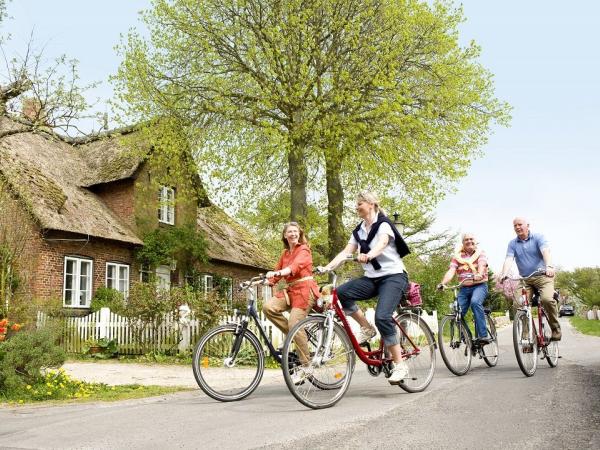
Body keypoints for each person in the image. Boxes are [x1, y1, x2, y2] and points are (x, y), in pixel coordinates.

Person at [321, 191, 411, 384]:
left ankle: (399, 364)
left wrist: (370, 255)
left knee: (382, 317)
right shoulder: (359, 230)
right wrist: (328, 267)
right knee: (341, 293)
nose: (356, 207)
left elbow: (383, 243)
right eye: (356, 204)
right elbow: (346, 252)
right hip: (372, 278)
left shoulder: (384, 224)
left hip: (394, 276)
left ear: (371, 204)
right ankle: (366, 328)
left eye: (360, 203)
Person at [263, 222, 320, 375]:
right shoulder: (285, 254)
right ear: (285, 235)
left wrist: (279, 273)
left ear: (299, 234)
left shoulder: (304, 250)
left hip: (305, 291)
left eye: (295, 231)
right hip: (290, 291)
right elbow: (276, 272)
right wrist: (266, 280)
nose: (293, 234)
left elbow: (293, 268)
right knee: (268, 307)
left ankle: (306, 366)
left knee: (294, 322)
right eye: (290, 232)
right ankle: (295, 335)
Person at [500, 217, 561, 341]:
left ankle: (555, 329)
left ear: (527, 225)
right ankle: (527, 335)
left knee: (547, 299)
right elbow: (508, 259)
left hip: (543, 276)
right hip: (525, 279)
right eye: (515, 225)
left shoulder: (538, 237)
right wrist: (504, 273)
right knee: (518, 305)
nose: (517, 227)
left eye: (520, 224)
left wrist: (549, 266)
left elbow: (545, 252)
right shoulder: (512, 243)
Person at [437, 233, 491, 343]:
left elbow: (481, 265)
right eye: (466, 240)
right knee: (457, 312)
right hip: (464, 288)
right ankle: (467, 337)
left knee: (475, 302)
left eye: (471, 239)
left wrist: (479, 274)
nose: (469, 241)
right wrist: (442, 283)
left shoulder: (481, 253)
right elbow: (451, 271)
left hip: (479, 286)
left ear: (475, 241)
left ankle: (483, 336)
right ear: (463, 243)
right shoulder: (457, 257)